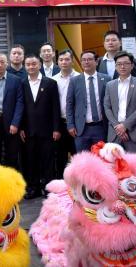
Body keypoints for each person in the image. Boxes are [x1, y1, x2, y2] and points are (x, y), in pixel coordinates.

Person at [20, 54, 61, 199]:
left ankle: (48, 188)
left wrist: (56, 128)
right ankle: (33, 188)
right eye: (28, 64)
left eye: (34, 64)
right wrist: (21, 128)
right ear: (25, 66)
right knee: (31, 160)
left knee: (47, 160)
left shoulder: (50, 83)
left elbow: (56, 107)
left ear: (39, 65)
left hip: (47, 130)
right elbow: (20, 107)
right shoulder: (22, 83)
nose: (31, 67)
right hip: (28, 130)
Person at [103, 51, 136, 152]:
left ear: (132, 65)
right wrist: (117, 127)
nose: (122, 67)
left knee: (135, 162)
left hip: (135, 131)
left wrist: (125, 125)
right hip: (115, 133)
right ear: (115, 66)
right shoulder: (110, 85)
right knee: (114, 162)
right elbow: (107, 107)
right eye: (119, 64)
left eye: (126, 63)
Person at [66, 50, 110, 152]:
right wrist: (70, 125)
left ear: (96, 62)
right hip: (81, 128)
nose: (86, 62)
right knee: (83, 158)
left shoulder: (106, 79)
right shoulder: (74, 81)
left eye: (89, 59)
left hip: (101, 127)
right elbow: (69, 104)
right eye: (84, 60)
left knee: (101, 157)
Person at [0, 53, 23, 170]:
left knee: (12, 153)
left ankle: (12, 177)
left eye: (2, 62)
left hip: (11, 120)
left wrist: (15, 123)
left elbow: (20, 103)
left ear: (7, 64)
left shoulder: (16, 80)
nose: (0, 65)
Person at [51, 49, 80, 179]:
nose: (64, 62)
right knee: (60, 156)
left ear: (72, 61)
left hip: (77, 124)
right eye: (61, 60)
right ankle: (62, 182)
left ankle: (78, 182)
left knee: (77, 155)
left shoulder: (80, 77)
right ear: (57, 62)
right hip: (60, 123)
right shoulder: (53, 80)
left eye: (67, 59)